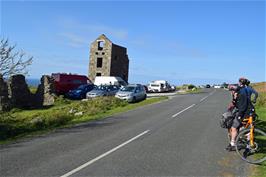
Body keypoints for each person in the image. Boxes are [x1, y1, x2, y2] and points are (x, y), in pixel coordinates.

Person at [226, 79, 250, 151]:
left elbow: (237, 104)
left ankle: (232, 143)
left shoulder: (240, 90)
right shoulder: (247, 89)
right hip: (250, 112)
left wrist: (234, 97)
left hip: (243, 112)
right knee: (248, 129)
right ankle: (249, 145)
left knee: (234, 127)